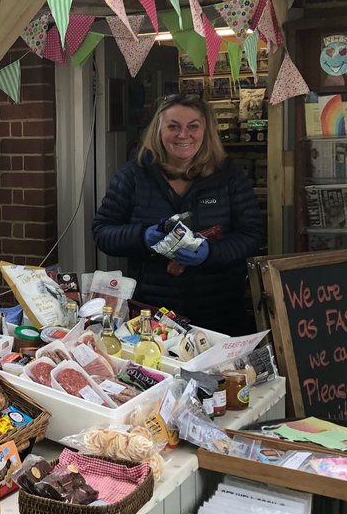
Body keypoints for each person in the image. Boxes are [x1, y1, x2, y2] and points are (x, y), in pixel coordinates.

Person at [92, 94, 264, 335]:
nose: (183, 134)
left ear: (206, 131)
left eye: (193, 126)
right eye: (173, 126)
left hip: (219, 311)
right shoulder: (133, 176)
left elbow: (252, 236)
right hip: (151, 313)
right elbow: (102, 232)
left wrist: (210, 253)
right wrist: (142, 237)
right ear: (159, 130)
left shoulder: (229, 178)